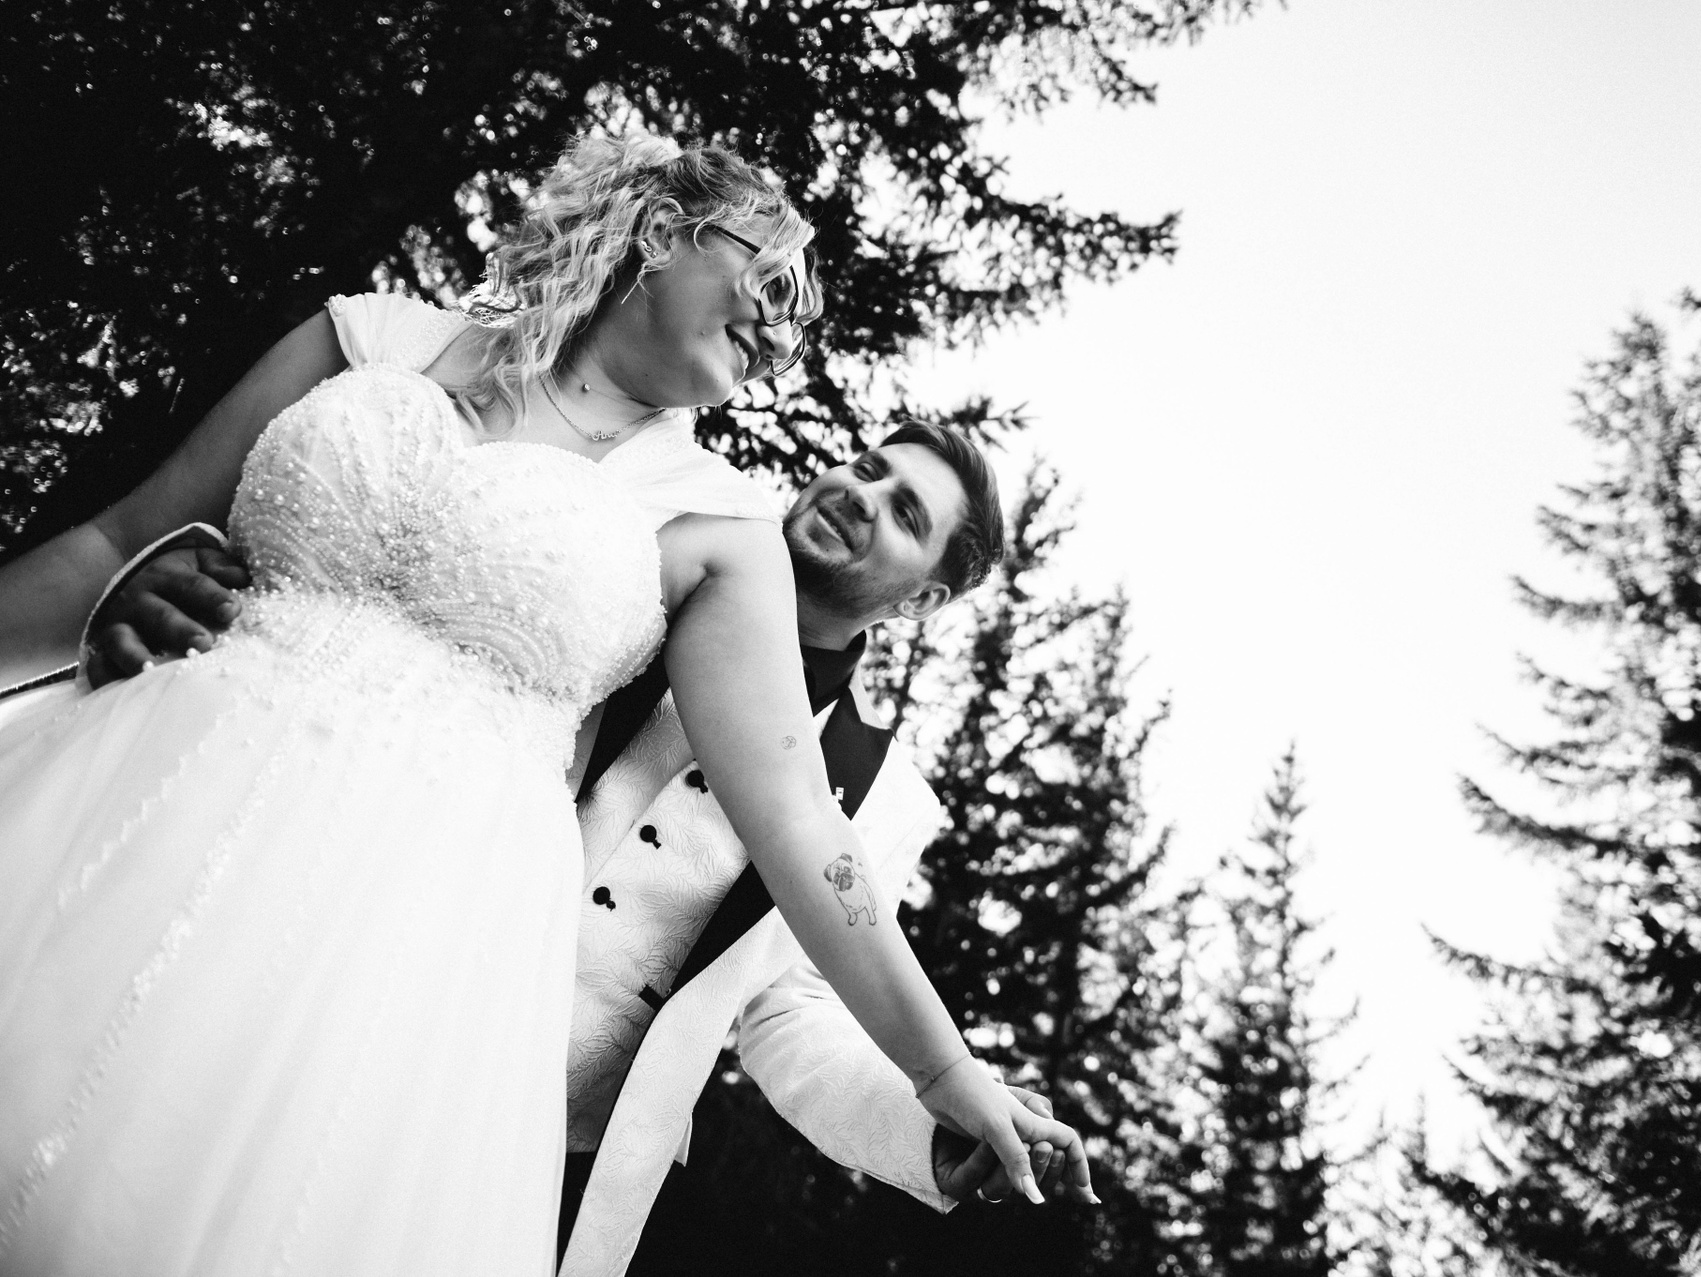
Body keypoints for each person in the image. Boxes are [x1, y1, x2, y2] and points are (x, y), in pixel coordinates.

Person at [0, 129, 1089, 1277]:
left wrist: (942, 1072)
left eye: (908, 513)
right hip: (154, 794)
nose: (781, 332)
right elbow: (121, 538)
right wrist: (131, 589)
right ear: (662, 232)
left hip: (395, 978)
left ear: (926, 598)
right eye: (771, 282)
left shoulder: (715, 528)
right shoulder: (371, 339)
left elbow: (799, 834)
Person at [85, 423, 1081, 1277]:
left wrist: (927, 1118)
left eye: (904, 511)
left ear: (922, 602)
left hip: (539, 1160)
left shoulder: (887, 799)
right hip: (348, 1004)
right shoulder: (617, 577)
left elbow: (788, 1013)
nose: (861, 493)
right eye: (867, 466)